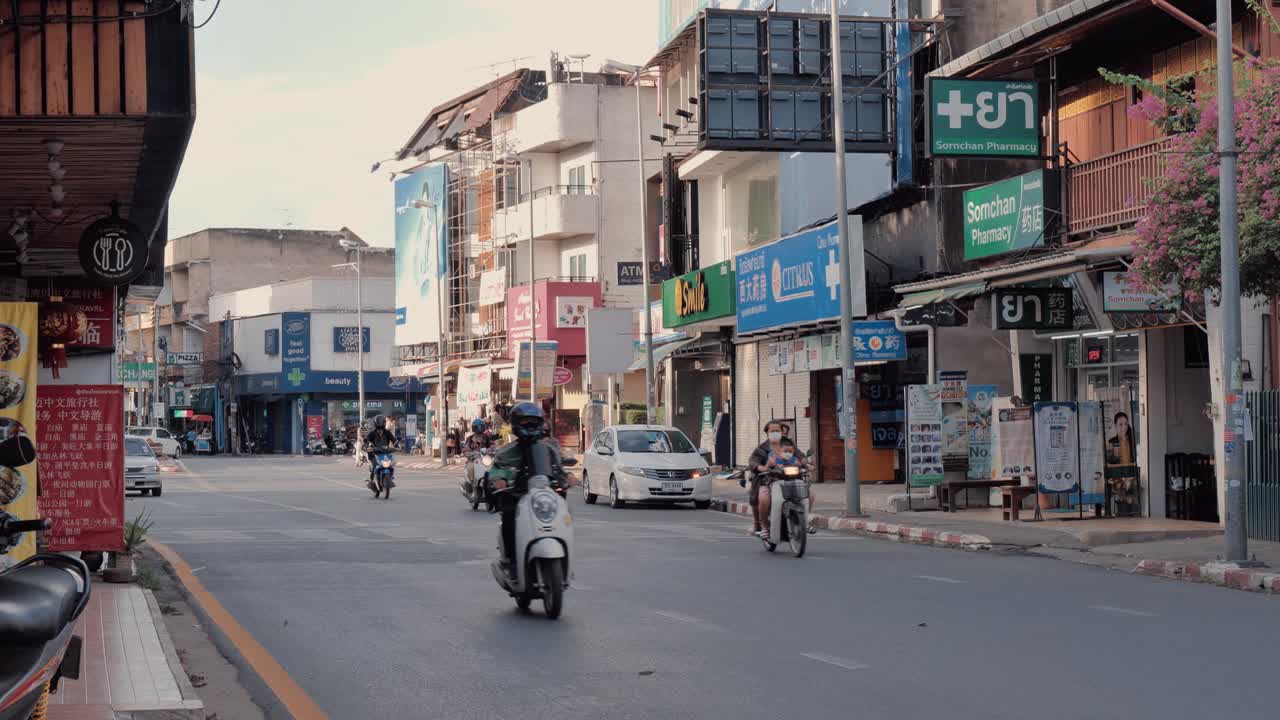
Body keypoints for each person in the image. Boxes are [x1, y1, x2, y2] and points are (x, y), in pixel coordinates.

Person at [488, 402, 567, 575]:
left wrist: (567, 477)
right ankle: (511, 561)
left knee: (564, 516)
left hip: (543, 498)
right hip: (518, 497)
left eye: (534, 422)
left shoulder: (549, 450)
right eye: (525, 422)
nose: (530, 426)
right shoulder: (506, 452)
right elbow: (495, 470)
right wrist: (499, 478)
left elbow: (559, 470)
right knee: (509, 516)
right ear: (516, 424)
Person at [757, 437, 809, 542]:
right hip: (774, 483)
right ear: (779, 451)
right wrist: (768, 467)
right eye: (785, 451)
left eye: (790, 451)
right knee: (770, 501)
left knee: (807, 498)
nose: (788, 453)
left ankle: (805, 524)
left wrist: (807, 466)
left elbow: (801, 464)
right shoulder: (773, 458)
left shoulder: (794, 459)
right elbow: (767, 467)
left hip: (792, 483)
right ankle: (767, 530)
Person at [744, 420, 786, 536]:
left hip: (788, 480)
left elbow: (798, 456)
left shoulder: (788, 446)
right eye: (773, 431)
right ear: (767, 432)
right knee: (763, 499)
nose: (775, 433)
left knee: (809, 494)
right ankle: (764, 527)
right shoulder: (761, 449)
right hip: (767, 481)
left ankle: (803, 521)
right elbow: (753, 461)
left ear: (782, 432)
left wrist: (805, 463)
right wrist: (760, 467)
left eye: (778, 430)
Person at [363, 415, 397, 481]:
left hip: (385, 452)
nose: (380, 430)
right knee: (375, 465)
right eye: (379, 428)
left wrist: (397, 446)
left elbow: (394, 440)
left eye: (382, 423)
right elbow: (366, 441)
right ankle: (371, 480)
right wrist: (367, 447)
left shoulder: (387, 432)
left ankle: (390, 476)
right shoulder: (372, 433)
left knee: (391, 465)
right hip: (373, 453)